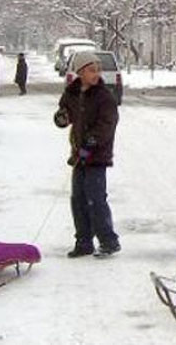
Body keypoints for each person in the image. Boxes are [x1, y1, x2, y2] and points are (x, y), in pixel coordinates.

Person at [54, 51, 121, 258]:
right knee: (78, 199)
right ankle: (84, 241)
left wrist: (90, 145)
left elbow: (106, 126)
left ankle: (109, 241)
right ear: (81, 72)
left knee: (96, 199)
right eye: (92, 70)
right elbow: (63, 114)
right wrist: (61, 118)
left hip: (97, 156)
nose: (96, 74)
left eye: (98, 70)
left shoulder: (104, 97)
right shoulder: (72, 93)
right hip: (79, 155)